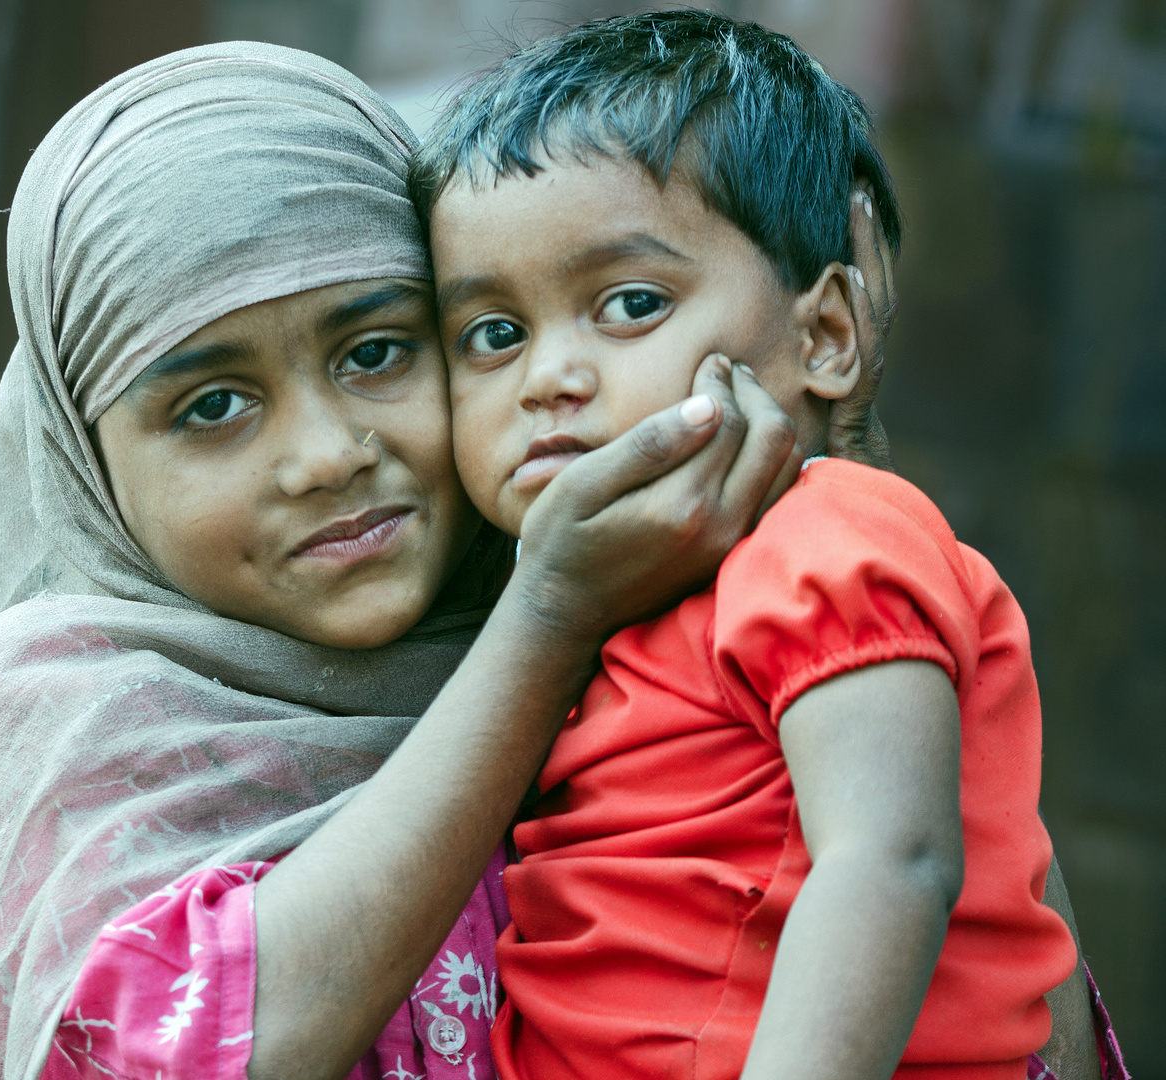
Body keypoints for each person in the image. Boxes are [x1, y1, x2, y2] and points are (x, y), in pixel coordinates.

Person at [411, 12, 1127, 1080]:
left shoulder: (828, 533)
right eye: (494, 334)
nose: (545, 376)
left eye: (630, 303)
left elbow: (890, 860)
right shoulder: (564, 610)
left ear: (827, 337)